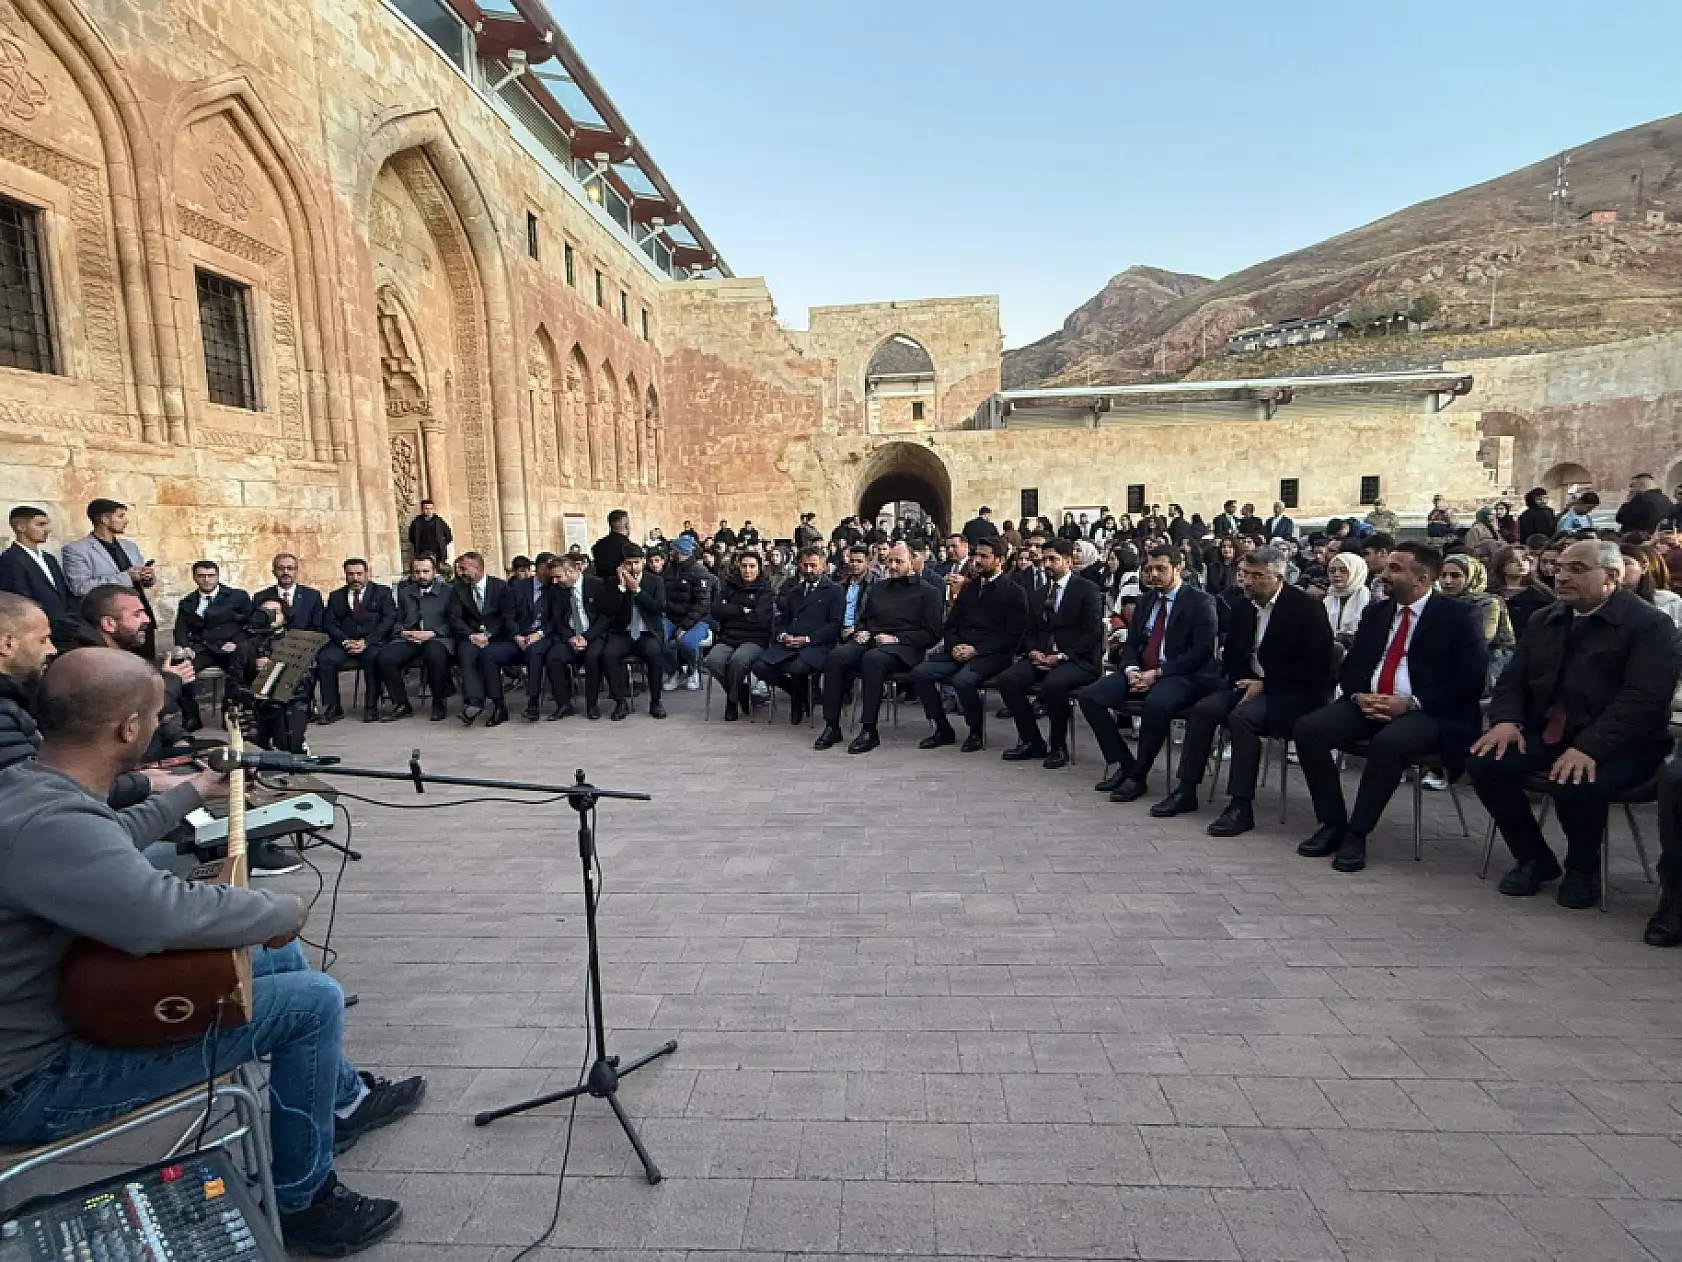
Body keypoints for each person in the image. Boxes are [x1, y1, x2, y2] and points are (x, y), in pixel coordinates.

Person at [0, 648, 423, 1257]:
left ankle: (342, 1101)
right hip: (36, 1085)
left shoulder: (29, 787)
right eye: (152, 715)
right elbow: (158, 913)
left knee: (278, 966)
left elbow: (107, 839)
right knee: (313, 1000)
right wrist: (278, 912)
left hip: (59, 1016)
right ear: (127, 728)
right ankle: (305, 1202)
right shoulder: (50, 824)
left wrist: (194, 788)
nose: (153, 725)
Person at [1471, 539, 1680, 908]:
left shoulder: (1650, 625)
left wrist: (1589, 747)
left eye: (1577, 570)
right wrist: (1505, 720)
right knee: (1487, 763)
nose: (1562, 576)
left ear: (1612, 577)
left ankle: (1583, 868)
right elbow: (1513, 681)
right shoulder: (1546, 618)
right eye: (1560, 567)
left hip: (1624, 742)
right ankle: (1534, 858)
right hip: (1552, 730)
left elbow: (1643, 700)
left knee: (1576, 780)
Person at [1292, 544, 1488, 870]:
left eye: (1396, 569)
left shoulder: (1458, 616)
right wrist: (1358, 696)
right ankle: (1332, 823)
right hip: (1370, 702)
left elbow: (1471, 680)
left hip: (1430, 712)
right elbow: (1352, 668)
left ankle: (1357, 833)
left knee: (1389, 744)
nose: (1384, 574)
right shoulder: (1377, 613)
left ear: (1422, 579)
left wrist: (1411, 703)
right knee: (1309, 729)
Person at [1153, 546, 1335, 833]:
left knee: (1243, 720)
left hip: (1291, 691)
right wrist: (1242, 676)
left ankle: (1240, 805)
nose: (1248, 582)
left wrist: (1267, 683)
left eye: (1257, 576)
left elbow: (1318, 666)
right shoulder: (1243, 606)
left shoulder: (1306, 608)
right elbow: (1236, 657)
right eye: (1245, 575)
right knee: (1203, 710)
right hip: (1248, 684)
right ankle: (1186, 789)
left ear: (1277, 576)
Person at [1082, 545, 1219, 800]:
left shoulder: (1200, 602)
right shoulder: (1145, 601)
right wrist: (1132, 669)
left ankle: (1138, 776)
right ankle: (1124, 763)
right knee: (1090, 697)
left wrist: (1157, 673)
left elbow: (1200, 652)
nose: (1153, 575)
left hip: (1181, 675)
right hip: (1141, 670)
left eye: (1161, 569)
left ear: (1178, 568)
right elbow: (1133, 643)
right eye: (1149, 569)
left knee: (1156, 705)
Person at [813, 542, 943, 755]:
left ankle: (869, 729)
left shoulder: (928, 592)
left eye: (898, 561)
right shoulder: (879, 588)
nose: (892, 565)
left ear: (912, 562)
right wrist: (861, 630)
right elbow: (866, 619)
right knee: (836, 657)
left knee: (873, 660)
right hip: (873, 640)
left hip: (904, 649)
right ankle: (832, 725)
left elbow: (932, 634)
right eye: (890, 560)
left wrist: (896, 639)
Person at [910, 536, 1028, 752]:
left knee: (963, 681)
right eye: (976, 555)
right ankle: (942, 728)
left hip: (992, 654)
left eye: (984, 556)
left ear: (1000, 560)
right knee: (921, 673)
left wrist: (977, 650)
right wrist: (955, 645)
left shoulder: (1014, 592)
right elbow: (951, 625)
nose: (977, 561)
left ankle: (975, 731)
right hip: (959, 650)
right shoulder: (969, 589)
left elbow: (1012, 636)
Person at [995, 538, 1104, 769]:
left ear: (1068, 560)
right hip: (1043, 656)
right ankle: (1032, 740)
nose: (1047, 564)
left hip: (1077, 659)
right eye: (1044, 560)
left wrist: (1062, 656)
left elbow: (1092, 633)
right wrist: (1034, 651)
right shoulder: (1038, 593)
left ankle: (1058, 746)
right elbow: (1030, 630)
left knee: (1054, 685)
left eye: (1052, 559)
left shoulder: (1087, 590)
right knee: (1007, 680)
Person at [753, 547, 842, 725]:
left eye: (813, 566)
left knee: (798, 668)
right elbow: (781, 620)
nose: (808, 570)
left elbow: (834, 625)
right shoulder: (794, 591)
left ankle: (797, 705)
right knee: (760, 666)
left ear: (823, 566)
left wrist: (808, 639)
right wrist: (784, 635)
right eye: (805, 565)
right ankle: (797, 694)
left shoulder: (834, 591)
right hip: (791, 641)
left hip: (818, 644)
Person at [61, 498, 157, 657]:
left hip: (140, 617)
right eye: (120, 516)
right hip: (110, 625)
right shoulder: (76, 550)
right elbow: (80, 587)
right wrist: (126, 576)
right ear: (104, 519)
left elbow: (141, 579)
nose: (126, 521)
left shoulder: (130, 546)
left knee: (147, 664)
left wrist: (147, 577)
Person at [377, 554, 464, 722]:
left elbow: (455, 622)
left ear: (434, 572)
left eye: (425, 571)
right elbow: (397, 620)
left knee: (435, 653)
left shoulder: (449, 592)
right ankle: (402, 703)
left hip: (438, 638)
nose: (421, 576)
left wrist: (432, 633)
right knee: (386, 657)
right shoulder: (405, 593)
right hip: (410, 638)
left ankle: (438, 702)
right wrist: (403, 632)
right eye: (417, 572)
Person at [172, 560, 255, 729]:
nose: (207, 580)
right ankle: (192, 717)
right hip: (202, 649)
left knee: (240, 669)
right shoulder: (187, 602)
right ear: (194, 577)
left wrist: (236, 642)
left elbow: (251, 625)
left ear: (218, 576)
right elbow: (180, 629)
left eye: (211, 576)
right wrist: (185, 646)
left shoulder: (237, 596)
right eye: (202, 576)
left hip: (229, 648)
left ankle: (230, 716)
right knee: (178, 670)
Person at [591, 542, 666, 721]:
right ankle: (620, 701)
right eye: (628, 563)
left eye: (636, 563)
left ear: (643, 562)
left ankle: (656, 701)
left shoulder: (655, 581)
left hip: (646, 633)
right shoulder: (612, 582)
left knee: (655, 655)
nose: (633, 567)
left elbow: (658, 607)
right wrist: (622, 588)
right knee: (608, 656)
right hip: (621, 633)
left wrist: (637, 591)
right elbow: (608, 611)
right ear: (622, 564)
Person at [318, 558, 395, 724]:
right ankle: (333, 707)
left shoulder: (382, 592)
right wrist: (345, 641)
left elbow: (388, 620)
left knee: (372, 658)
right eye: (350, 574)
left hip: (371, 642)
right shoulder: (336, 596)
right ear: (345, 575)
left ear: (367, 573)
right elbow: (329, 623)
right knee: (325, 659)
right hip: (344, 643)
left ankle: (371, 707)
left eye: (359, 574)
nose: (355, 578)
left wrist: (366, 642)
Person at [705, 552, 774, 721]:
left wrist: (730, 611)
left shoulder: (765, 589)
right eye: (744, 566)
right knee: (712, 661)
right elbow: (715, 610)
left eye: (752, 566)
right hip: (729, 637)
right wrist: (741, 610)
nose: (747, 570)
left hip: (755, 639)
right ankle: (739, 690)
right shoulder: (730, 586)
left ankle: (732, 702)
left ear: (759, 568)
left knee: (738, 661)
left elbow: (760, 619)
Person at [449, 551, 514, 726]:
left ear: (476, 568)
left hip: (497, 636)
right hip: (470, 635)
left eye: (464, 568)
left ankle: (498, 706)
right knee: (467, 654)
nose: (460, 572)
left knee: (489, 656)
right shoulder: (458, 589)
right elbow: (455, 618)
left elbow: (506, 616)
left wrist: (489, 634)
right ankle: (474, 702)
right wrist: (471, 635)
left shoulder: (500, 587)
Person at [541, 552, 606, 720]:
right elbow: (558, 619)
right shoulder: (557, 590)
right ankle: (564, 704)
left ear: (570, 572)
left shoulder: (597, 585)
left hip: (593, 635)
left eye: (557, 577)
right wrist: (571, 637)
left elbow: (604, 618)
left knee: (593, 657)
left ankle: (592, 705)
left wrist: (586, 637)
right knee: (554, 658)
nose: (554, 581)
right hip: (571, 636)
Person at [1439, 554, 1515, 693]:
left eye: (1455, 576)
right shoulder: (1438, 601)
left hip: (1486, 661)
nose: (1447, 581)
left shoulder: (1487, 603)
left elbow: (1482, 638)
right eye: (1443, 575)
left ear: (1471, 577)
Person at [660, 535, 714, 691]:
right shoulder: (669, 570)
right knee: (655, 638)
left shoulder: (700, 571)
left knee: (687, 642)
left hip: (697, 620)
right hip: (671, 617)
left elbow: (702, 603)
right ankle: (675, 671)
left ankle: (693, 669)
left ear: (682, 552)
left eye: (674, 550)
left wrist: (684, 626)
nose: (670, 553)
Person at [0, 505, 70, 624]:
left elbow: (63, 594)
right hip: (36, 628)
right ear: (21, 527)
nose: (47, 530)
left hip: (65, 627)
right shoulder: (9, 560)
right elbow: (19, 600)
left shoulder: (49, 558)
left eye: (46, 525)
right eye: (40, 525)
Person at [1489, 545, 1554, 640]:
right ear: (1501, 565)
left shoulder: (1541, 594)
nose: (1521, 564)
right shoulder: (1490, 593)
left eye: (1525, 559)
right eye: (1513, 561)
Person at [1321, 552, 1371, 647]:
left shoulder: (1368, 599)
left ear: (1356, 572)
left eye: (1343, 571)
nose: (1336, 574)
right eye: (1332, 571)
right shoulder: (1327, 600)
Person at [405, 498, 451, 565]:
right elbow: (411, 537)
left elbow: (449, 536)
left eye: (431, 508)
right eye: (426, 508)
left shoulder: (439, 521)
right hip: (422, 553)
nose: (429, 511)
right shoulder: (416, 522)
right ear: (422, 510)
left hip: (438, 554)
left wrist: (442, 544)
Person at [591, 508, 634, 579]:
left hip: (600, 586)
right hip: (621, 585)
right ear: (627, 526)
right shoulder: (629, 547)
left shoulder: (598, 545)